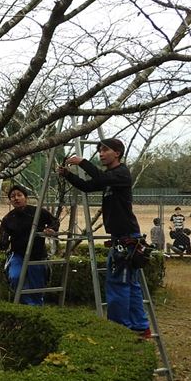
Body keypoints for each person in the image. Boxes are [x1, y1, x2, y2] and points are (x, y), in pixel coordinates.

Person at [58, 138, 150, 337]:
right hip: (122, 238)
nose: (101, 153)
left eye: (105, 150)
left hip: (126, 239)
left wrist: (81, 162)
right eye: (99, 150)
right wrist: (67, 175)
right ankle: (140, 326)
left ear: (117, 153)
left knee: (118, 284)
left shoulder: (122, 174)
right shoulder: (110, 177)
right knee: (130, 285)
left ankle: (119, 329)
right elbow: (88, 186)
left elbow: (99, 178)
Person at [0, 185, 58, 306]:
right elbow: (3, 237)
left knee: (37, 286)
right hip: (18, 255)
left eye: (19, 195)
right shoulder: (8, 219)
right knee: (15, 277)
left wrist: (51, 229)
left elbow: (54, 221)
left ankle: (36, 307)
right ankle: (28, 304)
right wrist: (1, 243)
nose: (16, 198)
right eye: (12, 196)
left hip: (37, 255)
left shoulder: (38, 212)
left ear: (26, 197)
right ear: (10, 200)